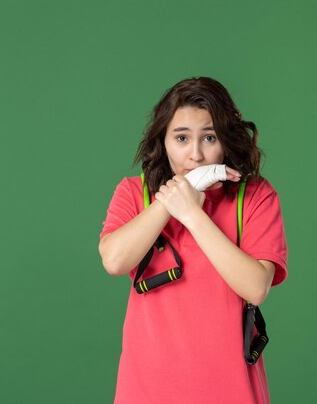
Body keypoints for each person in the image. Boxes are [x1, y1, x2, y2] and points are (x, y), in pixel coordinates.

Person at [98, 77, 288, 404]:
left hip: (232, 391)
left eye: (209, 137)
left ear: (226, 141)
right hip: (146, 391)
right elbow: (114, 261)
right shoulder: (134, 192)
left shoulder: (255, 196)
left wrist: (193, 214)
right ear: (164, 140)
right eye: (182, 138)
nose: (196, 154)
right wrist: (171, 200)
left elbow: (256, 287)